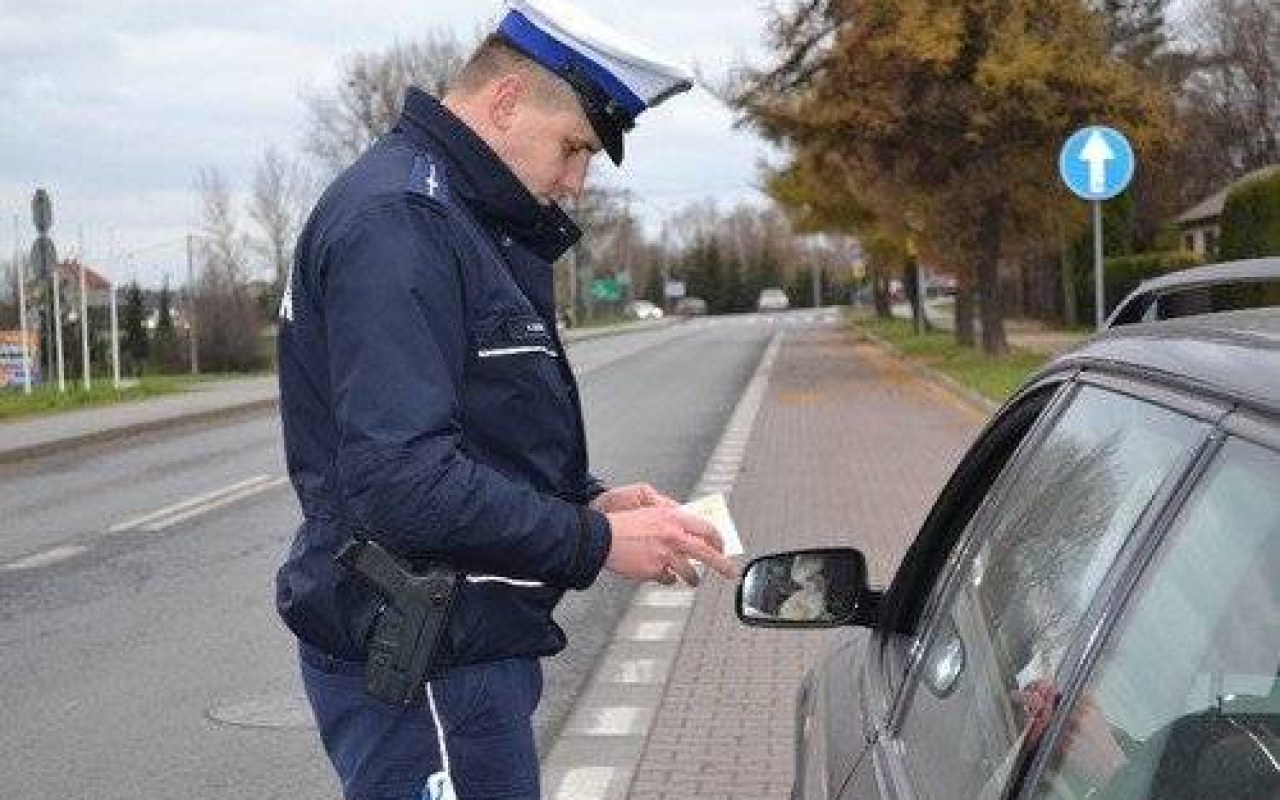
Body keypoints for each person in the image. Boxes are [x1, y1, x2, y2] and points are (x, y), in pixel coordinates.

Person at [273, 1, 738, 797]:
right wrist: (593, 542)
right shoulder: (403, 223)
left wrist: (591, 502)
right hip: (428, 664)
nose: (576, 180)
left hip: (454, 646)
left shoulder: (449, 216)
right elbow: (403, 484)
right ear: (506, 100)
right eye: (575, 148)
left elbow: (472, 433)